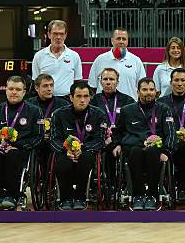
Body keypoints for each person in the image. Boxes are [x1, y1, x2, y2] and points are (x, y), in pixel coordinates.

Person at [112, 78, 175, 211]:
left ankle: (153, 195)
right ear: (138, 92)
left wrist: (166, 151)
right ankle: (137, 195)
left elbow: (171, 133)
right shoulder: (127, 110)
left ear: (156, 92)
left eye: (151, 89)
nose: (148, 93)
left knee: (152, 151)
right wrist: (116, 144)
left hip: (156, 150)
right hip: (134, 148)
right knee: (136, 151)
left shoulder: (164, 109)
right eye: (145, 90)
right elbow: (117, 131)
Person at [0, 76, 42, 210]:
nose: (14, 92)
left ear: (24, 91)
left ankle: (12, 195)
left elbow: (38, 137)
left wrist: (17, 146)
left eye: (18, 89)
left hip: (21, 150)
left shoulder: (34, 111)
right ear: (6, 90)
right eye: (11, 89)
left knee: (13, 155)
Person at [50, 81, 107, 211]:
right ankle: (65, 198)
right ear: (71, 97)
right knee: (62, 162)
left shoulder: (99, 114)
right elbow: (54, 139)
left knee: (85, 160)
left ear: (90, 97)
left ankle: (81, 197)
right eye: (78, 96)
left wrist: (83, 148)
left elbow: (100, 140)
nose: (82, 100)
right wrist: (66, 149)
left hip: (87, 150)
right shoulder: (59, 114)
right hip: (66, 151)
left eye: (86, 96)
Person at [157, 68, 185, 198]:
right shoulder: (161, 102)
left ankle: (183, 186)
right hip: (166, 141)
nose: (179, 83)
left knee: (183, 147)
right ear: (171, 82)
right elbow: (157, 126)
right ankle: (162, 184)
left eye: (183, 80)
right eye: (176, 80)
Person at [88, 28, 146, 100]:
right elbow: (92, 87)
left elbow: (142, 87)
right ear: (112, 40)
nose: (121, 41)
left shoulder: (136, 61)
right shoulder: (100, 60)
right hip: (104, 107)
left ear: (127, 41)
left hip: (129, 106)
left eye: (124, 39)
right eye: (118, 38)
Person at [25, 73, 69, 167]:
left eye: (51, 85)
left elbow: (66, 126)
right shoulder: (28, 105)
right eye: (45, 86)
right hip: (35, 141)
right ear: (37, 88)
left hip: (55, 141)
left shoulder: (63, 105)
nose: (49, 89)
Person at [32, 20, 83, 98]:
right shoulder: (39, 56)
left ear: (65, 35)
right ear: (49, 35)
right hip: (45, 100)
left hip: (67, 100)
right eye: (55, 33)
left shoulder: (74, 56)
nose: (58, 37)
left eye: (61, 34)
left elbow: (77, 82)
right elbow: (36, 81)